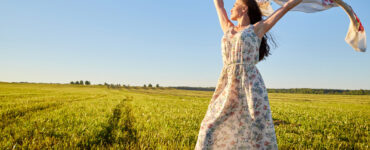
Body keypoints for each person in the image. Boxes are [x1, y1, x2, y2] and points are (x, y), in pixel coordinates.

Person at [194, 0, 302, 149]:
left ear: (244, 9)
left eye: (235, 4)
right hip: (227, 84)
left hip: (250, 84)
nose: (231, 7)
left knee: (255, 132)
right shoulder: (228, 28)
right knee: (208, 126)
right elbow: (219, 5)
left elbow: (286, 7)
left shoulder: (257, 29)